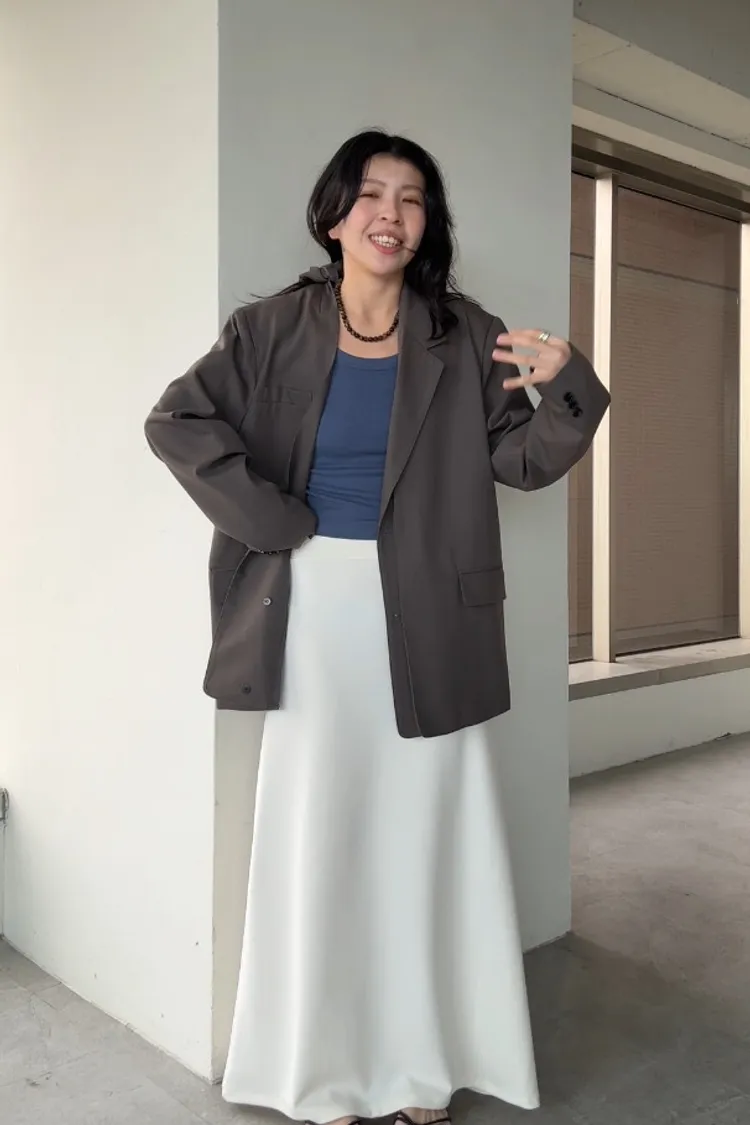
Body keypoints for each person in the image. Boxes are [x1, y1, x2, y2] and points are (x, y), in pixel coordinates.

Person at [145, 130, 610, 1125]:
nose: (391, 215)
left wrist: (570, 381)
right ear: (334, 216)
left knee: (423, 841)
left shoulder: (464, 334)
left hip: (431, 615)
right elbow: (176, 421)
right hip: (312, 615)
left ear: (427, 224)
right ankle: (323, 1074)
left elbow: (522, 461)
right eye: (371, 195)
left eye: (411, 198)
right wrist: (273, 518)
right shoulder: (269, 329)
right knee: (322, 836)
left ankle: (418, 1071)